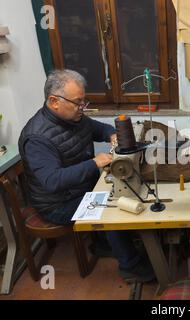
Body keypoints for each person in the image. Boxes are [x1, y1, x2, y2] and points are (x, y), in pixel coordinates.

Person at [18, 69, 155, 283]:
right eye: (78, 102)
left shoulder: (74, 117)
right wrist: (94, 163)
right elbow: (53, 181)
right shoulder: (37, 138)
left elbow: (101, 129)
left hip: (80, 189)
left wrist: (112, 136)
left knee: (116, 192)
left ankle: (104, 244)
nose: (83, 108)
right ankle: (131, 267)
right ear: (54, 101)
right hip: (57, 203)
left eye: (84, 101)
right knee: (111, 207)